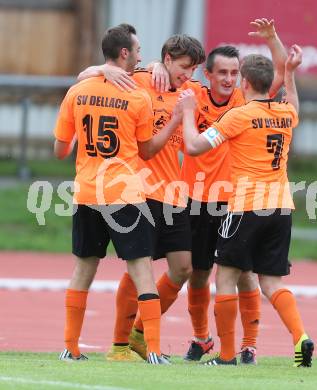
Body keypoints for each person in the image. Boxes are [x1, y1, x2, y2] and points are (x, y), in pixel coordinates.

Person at [149, 18, 286, 364]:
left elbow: (281, 71)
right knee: (197, 274)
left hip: (235, 202)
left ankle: (249, 345)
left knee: (243, 275)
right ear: (206, 75)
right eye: (221, 72)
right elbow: (160, 76)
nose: (228, 79)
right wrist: (154, 66)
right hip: (194, 200)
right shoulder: (191, 94)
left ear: (241, 76)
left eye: (233, 72)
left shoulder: (246, 99)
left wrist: (272, 39)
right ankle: (200, 339)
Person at [178, 44, 314, 366]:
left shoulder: (238, 116)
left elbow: (195, 147)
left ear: (246, 84)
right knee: (270, 282)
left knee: (225, 278)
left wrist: (186, 114)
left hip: (244, 208)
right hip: (280, 209)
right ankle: (300, 336)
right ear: (270, 84)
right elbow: (293, 103)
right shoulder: (284, 114)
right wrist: (291, 74)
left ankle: (225, 356)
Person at [78, 34, 206, 361]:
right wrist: (102, 70)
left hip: (172, 193)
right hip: (140, 190)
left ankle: (138, 334)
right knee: (138, 270)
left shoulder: (191, 94)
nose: (188, 73)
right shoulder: (139, 81)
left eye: (193, 69)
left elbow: (232, 99)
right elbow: (85, 77)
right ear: (165, 59)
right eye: (183, 66)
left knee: (182, 268)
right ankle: (120, 344)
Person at [54, 23, 170, 364]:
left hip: (88, 191)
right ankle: (155, 351)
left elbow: (61, 149)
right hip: (124, 194)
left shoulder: (78, 91)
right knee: (142, 271)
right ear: (124, 53)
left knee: (83, 271)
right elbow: (147, 151)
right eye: (136, 49)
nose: (139, 54)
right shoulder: (138, 96)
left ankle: (70, 348)